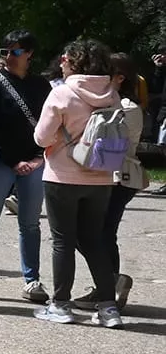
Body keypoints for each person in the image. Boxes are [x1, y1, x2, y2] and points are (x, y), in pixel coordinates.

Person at [32, 40, 123, 327]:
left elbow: (41, 138)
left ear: (75, 62)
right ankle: (109, 308)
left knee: (63, 241)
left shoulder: (62, 93)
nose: (61, 61)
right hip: (102, 175)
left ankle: (60, 304)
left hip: (63, 175)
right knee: (94, 239)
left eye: (65, 58)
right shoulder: (112, 95)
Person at [0, 30, 49, 304]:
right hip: (0, 163)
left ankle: (32, 280)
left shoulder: (41, 86)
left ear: (29, 54)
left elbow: (49, 124)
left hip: (34, 161)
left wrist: (38, 158)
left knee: (30, 223)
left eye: (15, 51)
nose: (8, 57)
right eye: (4, 51)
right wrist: (14, 161)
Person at [90, 53, 147, 310]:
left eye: (105, 73)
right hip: (106, 176)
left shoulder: (128, 108)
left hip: (119, 177)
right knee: (98, 233)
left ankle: (109, 284)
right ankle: (108, 283)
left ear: (120, 78)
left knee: (101, 233)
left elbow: (114, 143)